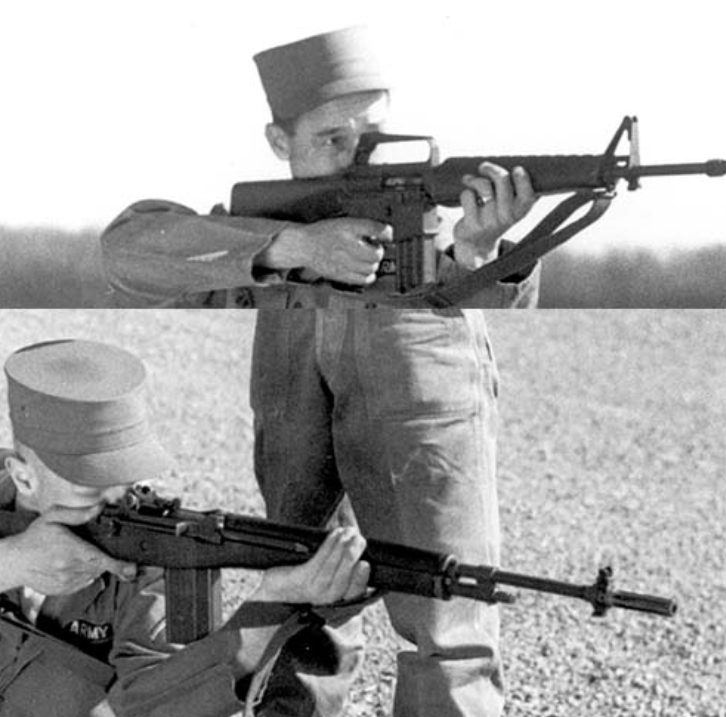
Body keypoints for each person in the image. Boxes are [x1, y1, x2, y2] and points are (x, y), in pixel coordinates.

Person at [100, 26, 539, 717]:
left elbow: (507, 301)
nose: (359, 157)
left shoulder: (427, 224)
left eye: (374, 136)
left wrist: (478, 253)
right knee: (306, 590)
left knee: (446, 611)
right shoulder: (267, 233)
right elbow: (126, 252)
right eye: (333, 139)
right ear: (280, 142)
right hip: (292, 371)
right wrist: (293, 246)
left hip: (418, 374)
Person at [0, 339, 371, 717]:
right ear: (23, 474)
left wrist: (267, 610)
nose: (116, 501)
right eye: (90, 486)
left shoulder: (154, 547)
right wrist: (4, 563)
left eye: (125, 479)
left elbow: (154, 707)